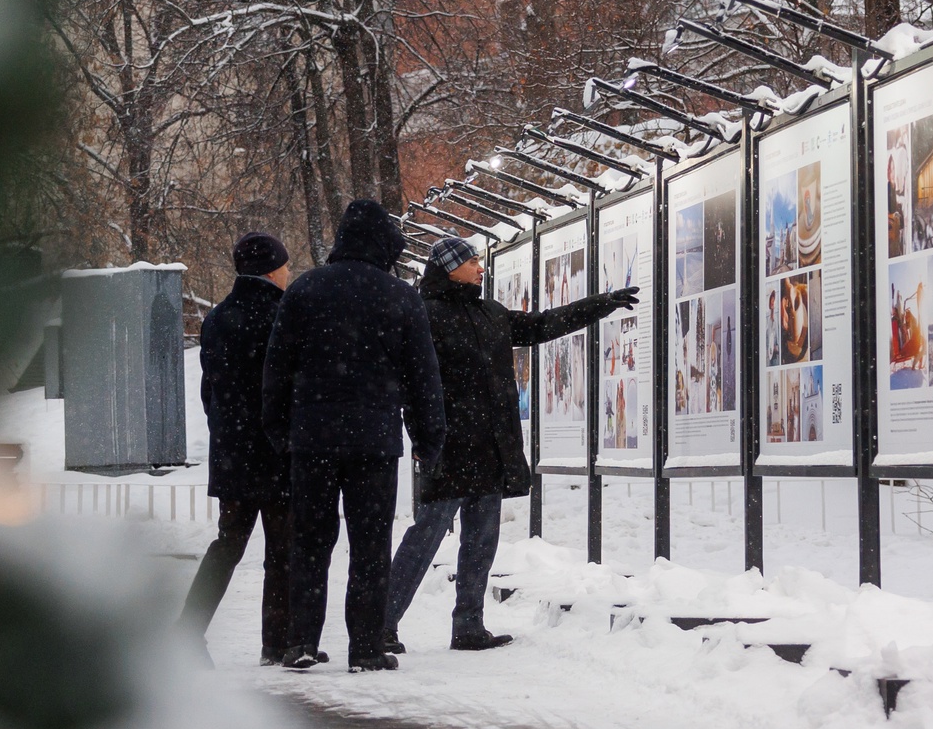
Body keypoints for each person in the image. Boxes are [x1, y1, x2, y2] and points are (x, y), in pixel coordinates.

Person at [387, 237, 637, 653]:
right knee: (425, 537)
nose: (480, 268)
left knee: (482, 542)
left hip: (491, 447)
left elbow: (542, 325)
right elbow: (411, 384)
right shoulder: (423, 315)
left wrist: (602, 303)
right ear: (450, 268)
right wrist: (422, 437)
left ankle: (468, 626)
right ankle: (381, 623)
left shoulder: (490, 313)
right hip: (449, 447)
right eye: (471, 262)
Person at [263, 198, 445, 672]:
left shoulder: (303, 290)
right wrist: (429, 439)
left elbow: (276, 371)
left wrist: (280, 432)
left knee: (309, 541)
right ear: (385, 242)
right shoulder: (400, 295)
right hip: (374, 442)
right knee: (370, 544)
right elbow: (424, 377)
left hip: (313, 440)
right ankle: (365, 647)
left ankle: (300, 641)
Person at [178, 231, 294, 663]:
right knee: (281, 549)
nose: (288, 273)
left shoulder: (219, 317)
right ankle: (276, 643)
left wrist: (230, 433)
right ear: (270, 270)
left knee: (227, 544)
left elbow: (212, 391)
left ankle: (188, 630)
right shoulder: (284, 315)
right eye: (284, 266)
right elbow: (287, 387)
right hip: (277, 452)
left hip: (234, 454)